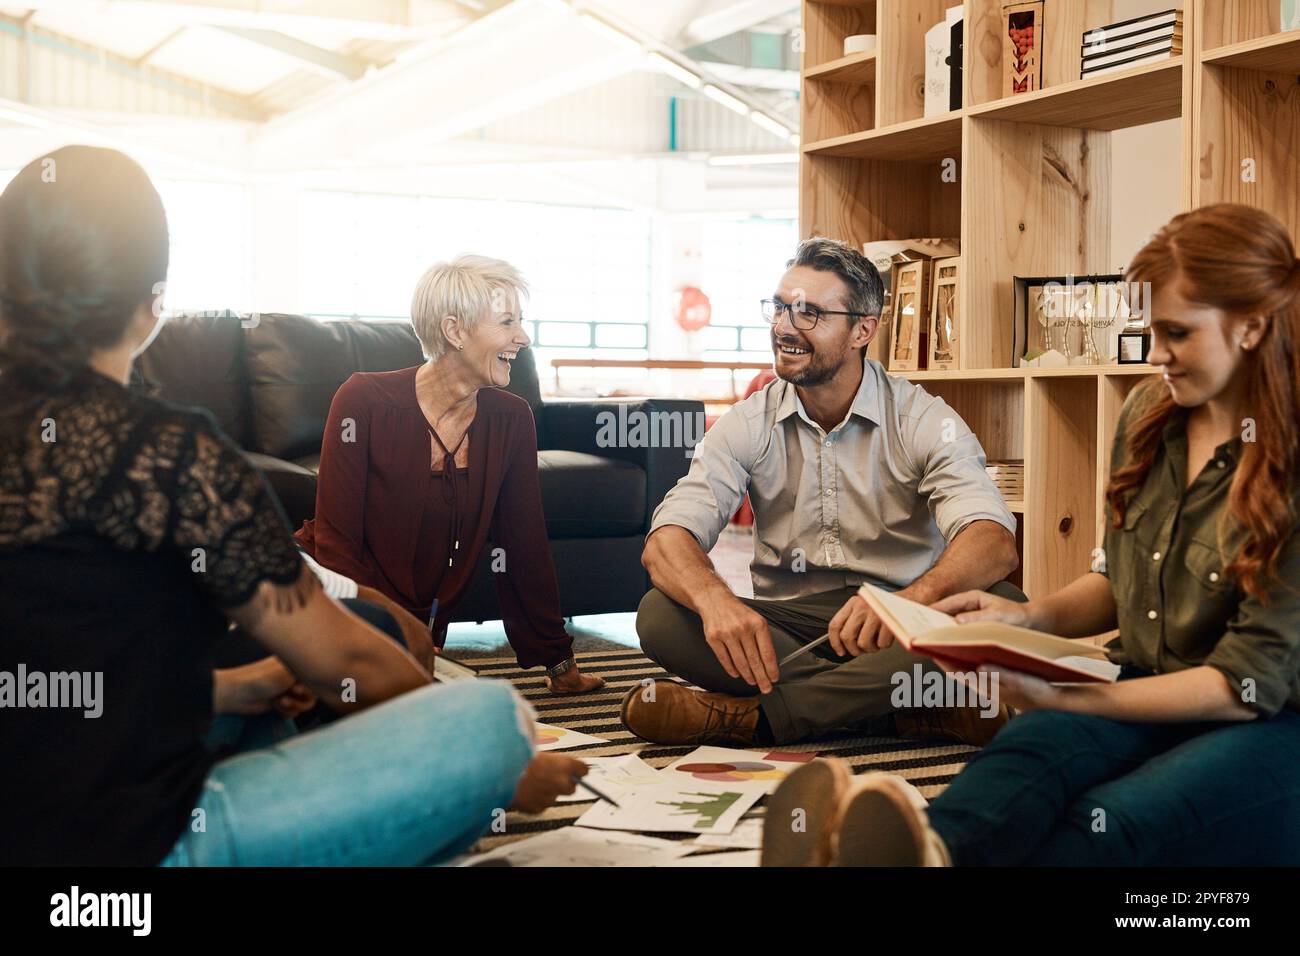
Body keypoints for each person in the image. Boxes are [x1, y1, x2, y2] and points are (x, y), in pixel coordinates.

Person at [0, 146, 586, 866]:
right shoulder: (171, 455)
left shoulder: (502, 418)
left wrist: (227, 690)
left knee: (272, 704)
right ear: (153, 304)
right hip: (128, 857)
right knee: (490, 720)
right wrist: (507, 769)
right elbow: (342, 651)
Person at [764, 204, 1300, 866]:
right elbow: (1117, 580)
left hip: (1264, 725)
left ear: (1251, 326)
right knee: (1019, 765)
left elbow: (1241, 685)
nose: (1155, 353)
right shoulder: (1147, 417)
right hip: (1143, 681)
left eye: (1178, 333)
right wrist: (1024, 616)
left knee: (1110, 821)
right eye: (1150, 329)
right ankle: (924, 854)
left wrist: (1076, 694)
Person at [624, 237, 1022, 746]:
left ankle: (757, 719)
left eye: (810, 313)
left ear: (862, 330)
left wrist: (909, 601)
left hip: (903, 623)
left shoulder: (924, 419)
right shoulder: (749, 422)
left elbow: (992, 540)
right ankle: (897, 708)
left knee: (1003, 605)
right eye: (781, 308)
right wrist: (715, 600)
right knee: (660, 615)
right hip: (790, 629)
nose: (785, 327)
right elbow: (668, 538)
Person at [295, 256, 603, 695]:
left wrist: (558, 663)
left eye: (522, 321)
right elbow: (335, 546)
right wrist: (376, 634)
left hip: (417, 628)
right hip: (327, 603)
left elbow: (523, 544)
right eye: (507, 322)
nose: (523, 337)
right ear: (455, 331)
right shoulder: (363, 400)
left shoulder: (510, 418)